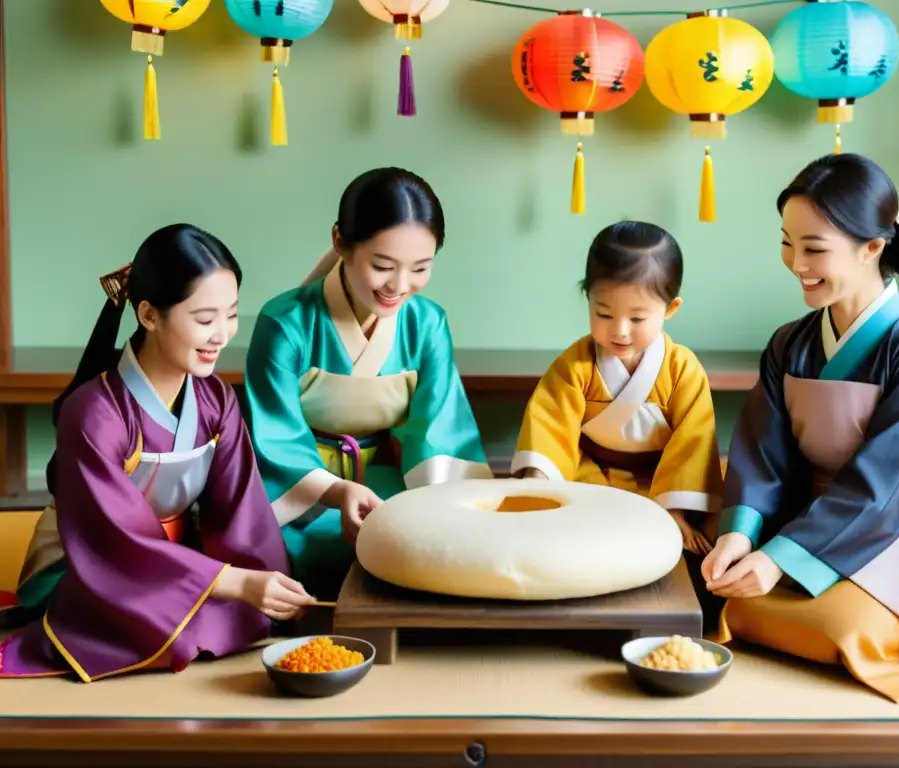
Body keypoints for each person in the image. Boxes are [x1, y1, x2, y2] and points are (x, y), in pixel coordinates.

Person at [702, 153, 899, 702]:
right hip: (806, 510)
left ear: (873, 247)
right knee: (707, 586)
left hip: (898, 523)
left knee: (844, 631)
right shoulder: (790, 342)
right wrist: (741, 533)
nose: (796, 263)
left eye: (814, 249)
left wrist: (778, 559)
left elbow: (886, 483)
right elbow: (762, 452)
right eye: (787, 243)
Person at [0, 224, 312, 682]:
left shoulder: (216, 401)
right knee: (178, 627)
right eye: (204, 320)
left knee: (247, 615)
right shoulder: (95, 413)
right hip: (94, 562)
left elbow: (239, 512)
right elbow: (111, 541)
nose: (222, 335)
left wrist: (260, 583)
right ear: (148, 315)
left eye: (231, 315)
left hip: (178, 564)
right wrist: (238, 583)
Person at [243, 167, 492, 601]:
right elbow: (274, 438)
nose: (399, 286)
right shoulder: (284, 323)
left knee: (428, 543)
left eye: (420, 268)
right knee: (279, 556)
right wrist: (336, 493)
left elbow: (439, 429)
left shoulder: (427, 323)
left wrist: (440, 510)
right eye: (382, 266)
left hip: (390, 486)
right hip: (304, 495)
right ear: (341, 242)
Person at [510, 221, 724, 554]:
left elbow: (692, 444)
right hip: (590, 477)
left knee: (713, 531)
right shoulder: (575, 365)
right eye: (603, 313)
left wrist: (674, 509)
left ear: (671, 308)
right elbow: (550, 428)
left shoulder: (683, 369)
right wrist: (539, 486)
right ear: (588, 299)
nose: (620, 331)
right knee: (561, 523)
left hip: (659, 484)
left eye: (637, 319)